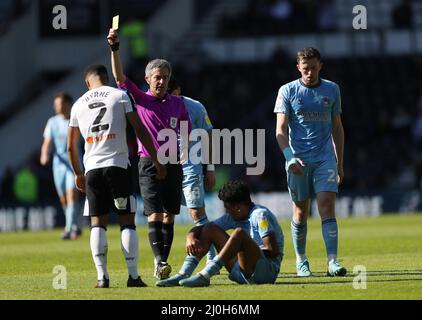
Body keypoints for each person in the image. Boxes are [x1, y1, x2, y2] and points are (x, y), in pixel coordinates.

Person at [67, 64, 165, 288]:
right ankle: (133, 277)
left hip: (92, 169)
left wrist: (78, 174)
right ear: (106, 78)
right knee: (127, 222)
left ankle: (102, 278)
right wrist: (158, 161)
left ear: (87, 83)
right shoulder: (120, 96)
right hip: (118, 166)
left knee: (97, 224)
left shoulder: (78, 105)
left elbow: (71, 148)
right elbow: (139, 129)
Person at [107, 29, 192, 280]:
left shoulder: (178, 103)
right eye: (157, 77)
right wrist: (115, 48)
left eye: (165, 78)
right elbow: (119, 76)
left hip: (173, 161)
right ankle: (159, 261)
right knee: (154, 213)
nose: (161, 81)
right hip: (147, 162)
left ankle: (163, 262)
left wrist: (185, 151)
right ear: (147, 78)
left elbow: (185, 129)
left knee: (170, 215)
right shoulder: (140, 99)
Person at [274, 47, 346, 277]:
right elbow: (280, 130)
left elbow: (337, 128)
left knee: (326, 205)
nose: (310, 73)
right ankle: (301, 260)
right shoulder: (287, 91)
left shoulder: (332, 89)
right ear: (298, 68)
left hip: (325, 159)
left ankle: (332, 262)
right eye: (305, 69)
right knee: (300, 211)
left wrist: (340, 163)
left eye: (314, 68)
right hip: (298, 161)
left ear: (320, 66)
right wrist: (289, 157)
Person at [156, 180, 284, 287]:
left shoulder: (260, 215)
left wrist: (243, 248)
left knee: (239, 234)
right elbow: (204, 228)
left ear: (238, 207)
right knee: (210, 228)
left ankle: (205, 275)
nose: (227, 212)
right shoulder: (234, 216)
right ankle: (183, 274)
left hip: (266, 272)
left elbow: (273, 251)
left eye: (227, 208)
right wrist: (190, 236)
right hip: (243, 270)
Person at [167, 77, 217, 264]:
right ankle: (162, 260)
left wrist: (210, 168)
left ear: (178, 90)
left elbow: (209, 137)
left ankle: (212, 258)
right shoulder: (157, 106)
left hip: (190, 167)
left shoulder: (196, 107)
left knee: (197, 213)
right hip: (166, 168)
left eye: (171, 91)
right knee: (166, 215)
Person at [40, 93, 82, 240]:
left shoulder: (75, 119)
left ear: (68, 104)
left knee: (72, 194)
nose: (57, 107)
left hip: (73, 162)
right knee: (63, 198)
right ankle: (74, 224)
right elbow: (47, 142)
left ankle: (70, 228)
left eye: (60, 104)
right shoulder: (52, 122)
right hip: (58, 165)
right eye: (56, 104)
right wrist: (44, 154)